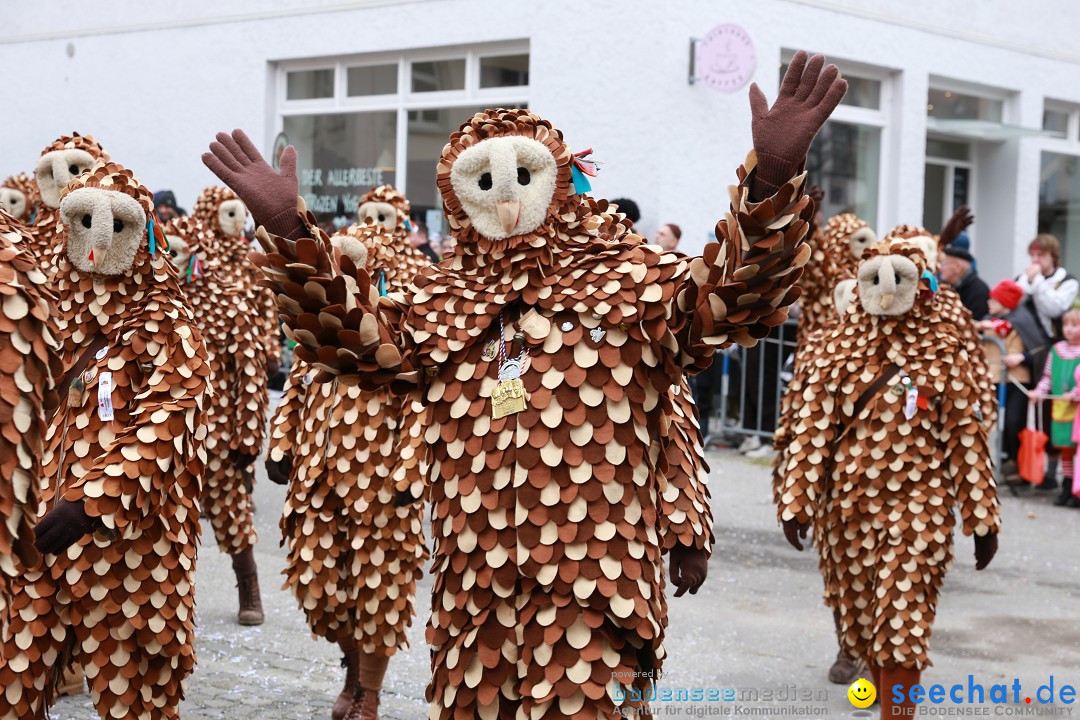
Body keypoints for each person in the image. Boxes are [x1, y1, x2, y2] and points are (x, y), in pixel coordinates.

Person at [204, 50, 846, 720]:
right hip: (473, 611)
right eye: (483, 181)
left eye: (521, 176)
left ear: (558, 181)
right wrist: (289, 230)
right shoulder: (441, 302)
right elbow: (354, 340)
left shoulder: (628, 278)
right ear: (457, 197)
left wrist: (772, 179)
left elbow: (729, 299)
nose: (506, 197)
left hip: (593, 604)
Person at [980, 279, 1049, 483]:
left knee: (1013, 421)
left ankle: (1014, 462)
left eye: (994, 299)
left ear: (1005, 302)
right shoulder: (988, 321)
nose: (989, 303)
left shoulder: (1023, 321)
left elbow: (1038, 349)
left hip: (1017, 379)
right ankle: (996, 463)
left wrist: (1022, 358)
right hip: (993, 378)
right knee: (992, 422)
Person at [1030, 307, 1080, 507]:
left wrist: (1075, 394)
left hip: (1076, 410)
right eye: (1066, 324)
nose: (1068, 329)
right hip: (1061, 409)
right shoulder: (1056, 350)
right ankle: (1066, 486)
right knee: (1065, 449)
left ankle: (1076, 489)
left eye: (1074, 325)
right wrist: (1039, 392)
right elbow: (1048, 378)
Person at [1017, 233, 1079, 340]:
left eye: (1040, 255)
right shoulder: (1023, 278)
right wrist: (1026, 282)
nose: (1034, 260)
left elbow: (1054, 310)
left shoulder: (1068, 281)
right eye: (1032, 255)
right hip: (1024, 339)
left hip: (1053, 342)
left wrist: (1037, 281)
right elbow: (1011, 305)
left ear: (1053, 256)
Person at [939, 245, 989, 320]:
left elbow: (975, 325)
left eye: (943, 264)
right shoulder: (947, 286)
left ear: (958, 267)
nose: (940, 269)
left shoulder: (978, 292)